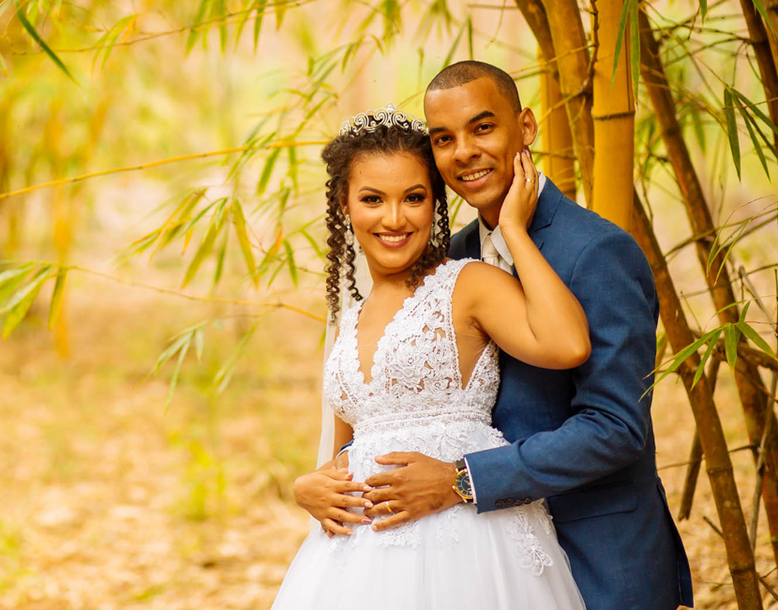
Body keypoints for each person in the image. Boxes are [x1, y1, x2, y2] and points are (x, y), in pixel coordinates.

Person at [293, 62, 692, 610]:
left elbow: (617, 428)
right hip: (448, 550)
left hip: (591, 550)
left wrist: (461, 480)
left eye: (483, 128)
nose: (464, 152)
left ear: (525, 128)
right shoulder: (443, 260)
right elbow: (379, 413)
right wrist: (318, 482)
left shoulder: (597, 251)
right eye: (443, 139)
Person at [271, 103, 588, 609]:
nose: (394, 219)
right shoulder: (346, 317)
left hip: (466, 540)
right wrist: (307, 488)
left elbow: (568, 344)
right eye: (372, 199)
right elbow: (344, 447)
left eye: (413, 198)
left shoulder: (467, 285)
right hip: (356, 564)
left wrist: (515, 233)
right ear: (344, 204)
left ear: (435, 203)